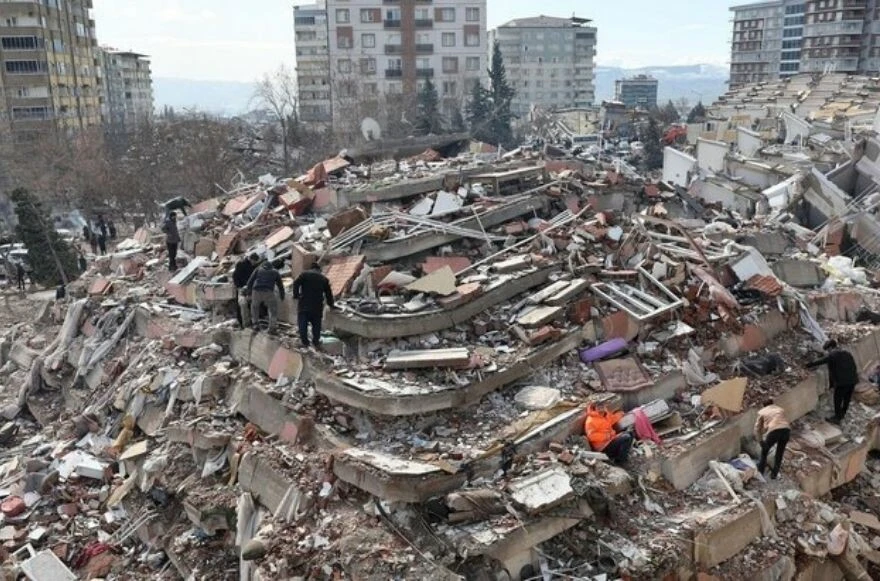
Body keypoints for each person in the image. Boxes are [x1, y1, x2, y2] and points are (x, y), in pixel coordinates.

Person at [806, 339, 859, 424]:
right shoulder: (847, 353)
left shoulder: (833, 355)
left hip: (842, 382)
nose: (828, 352)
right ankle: (842, 414)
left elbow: (821, 361)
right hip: (852, 380)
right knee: (847, 398)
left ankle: (837, 418)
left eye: (828, 350)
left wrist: (808, 365)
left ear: (830, 347)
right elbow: (853, 366)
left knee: (837, 399)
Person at [292, 263, 335, 348]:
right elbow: (328, 294)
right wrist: (331, 304)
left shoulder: (304, 275)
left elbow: (296, 283)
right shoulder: (324, 279)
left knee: (303, 323)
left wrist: (296, 295)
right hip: (317, 305)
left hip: (304, 303)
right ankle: (316, 342)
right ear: (319, 270)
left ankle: (304, 342)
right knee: (316, 325)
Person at [754, 399, 790, 480]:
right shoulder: (780, 409)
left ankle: (761, 470)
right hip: (786, 430)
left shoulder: (762, 412)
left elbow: (757, 428)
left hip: (774, 431)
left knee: (764, 451)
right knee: (779, 453)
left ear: (763, 405)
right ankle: (774, 474)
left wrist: (760, 441)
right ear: (772, 403)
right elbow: (780, 421)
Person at [247, 260, 285, 333]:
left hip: (256, 291)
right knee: (273, 309)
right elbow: (280, 285)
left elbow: (250, 282)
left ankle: (255, 324)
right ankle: (272, 327)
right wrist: (282, 295)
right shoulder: (275, 272)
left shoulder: (258, 269)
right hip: (268, 292)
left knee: (255, 307)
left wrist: (249, 293)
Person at [233, 253, 259, 328]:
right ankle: (244, 324)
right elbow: (235, 276)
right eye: (254, 261)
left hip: (250, 288)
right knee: (242, 305)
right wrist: (238, 286)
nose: (254, 263)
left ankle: (251, 323)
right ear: (251, 259)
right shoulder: (241, 264)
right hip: (242, 288)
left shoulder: (254, 266)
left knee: (251, 305)